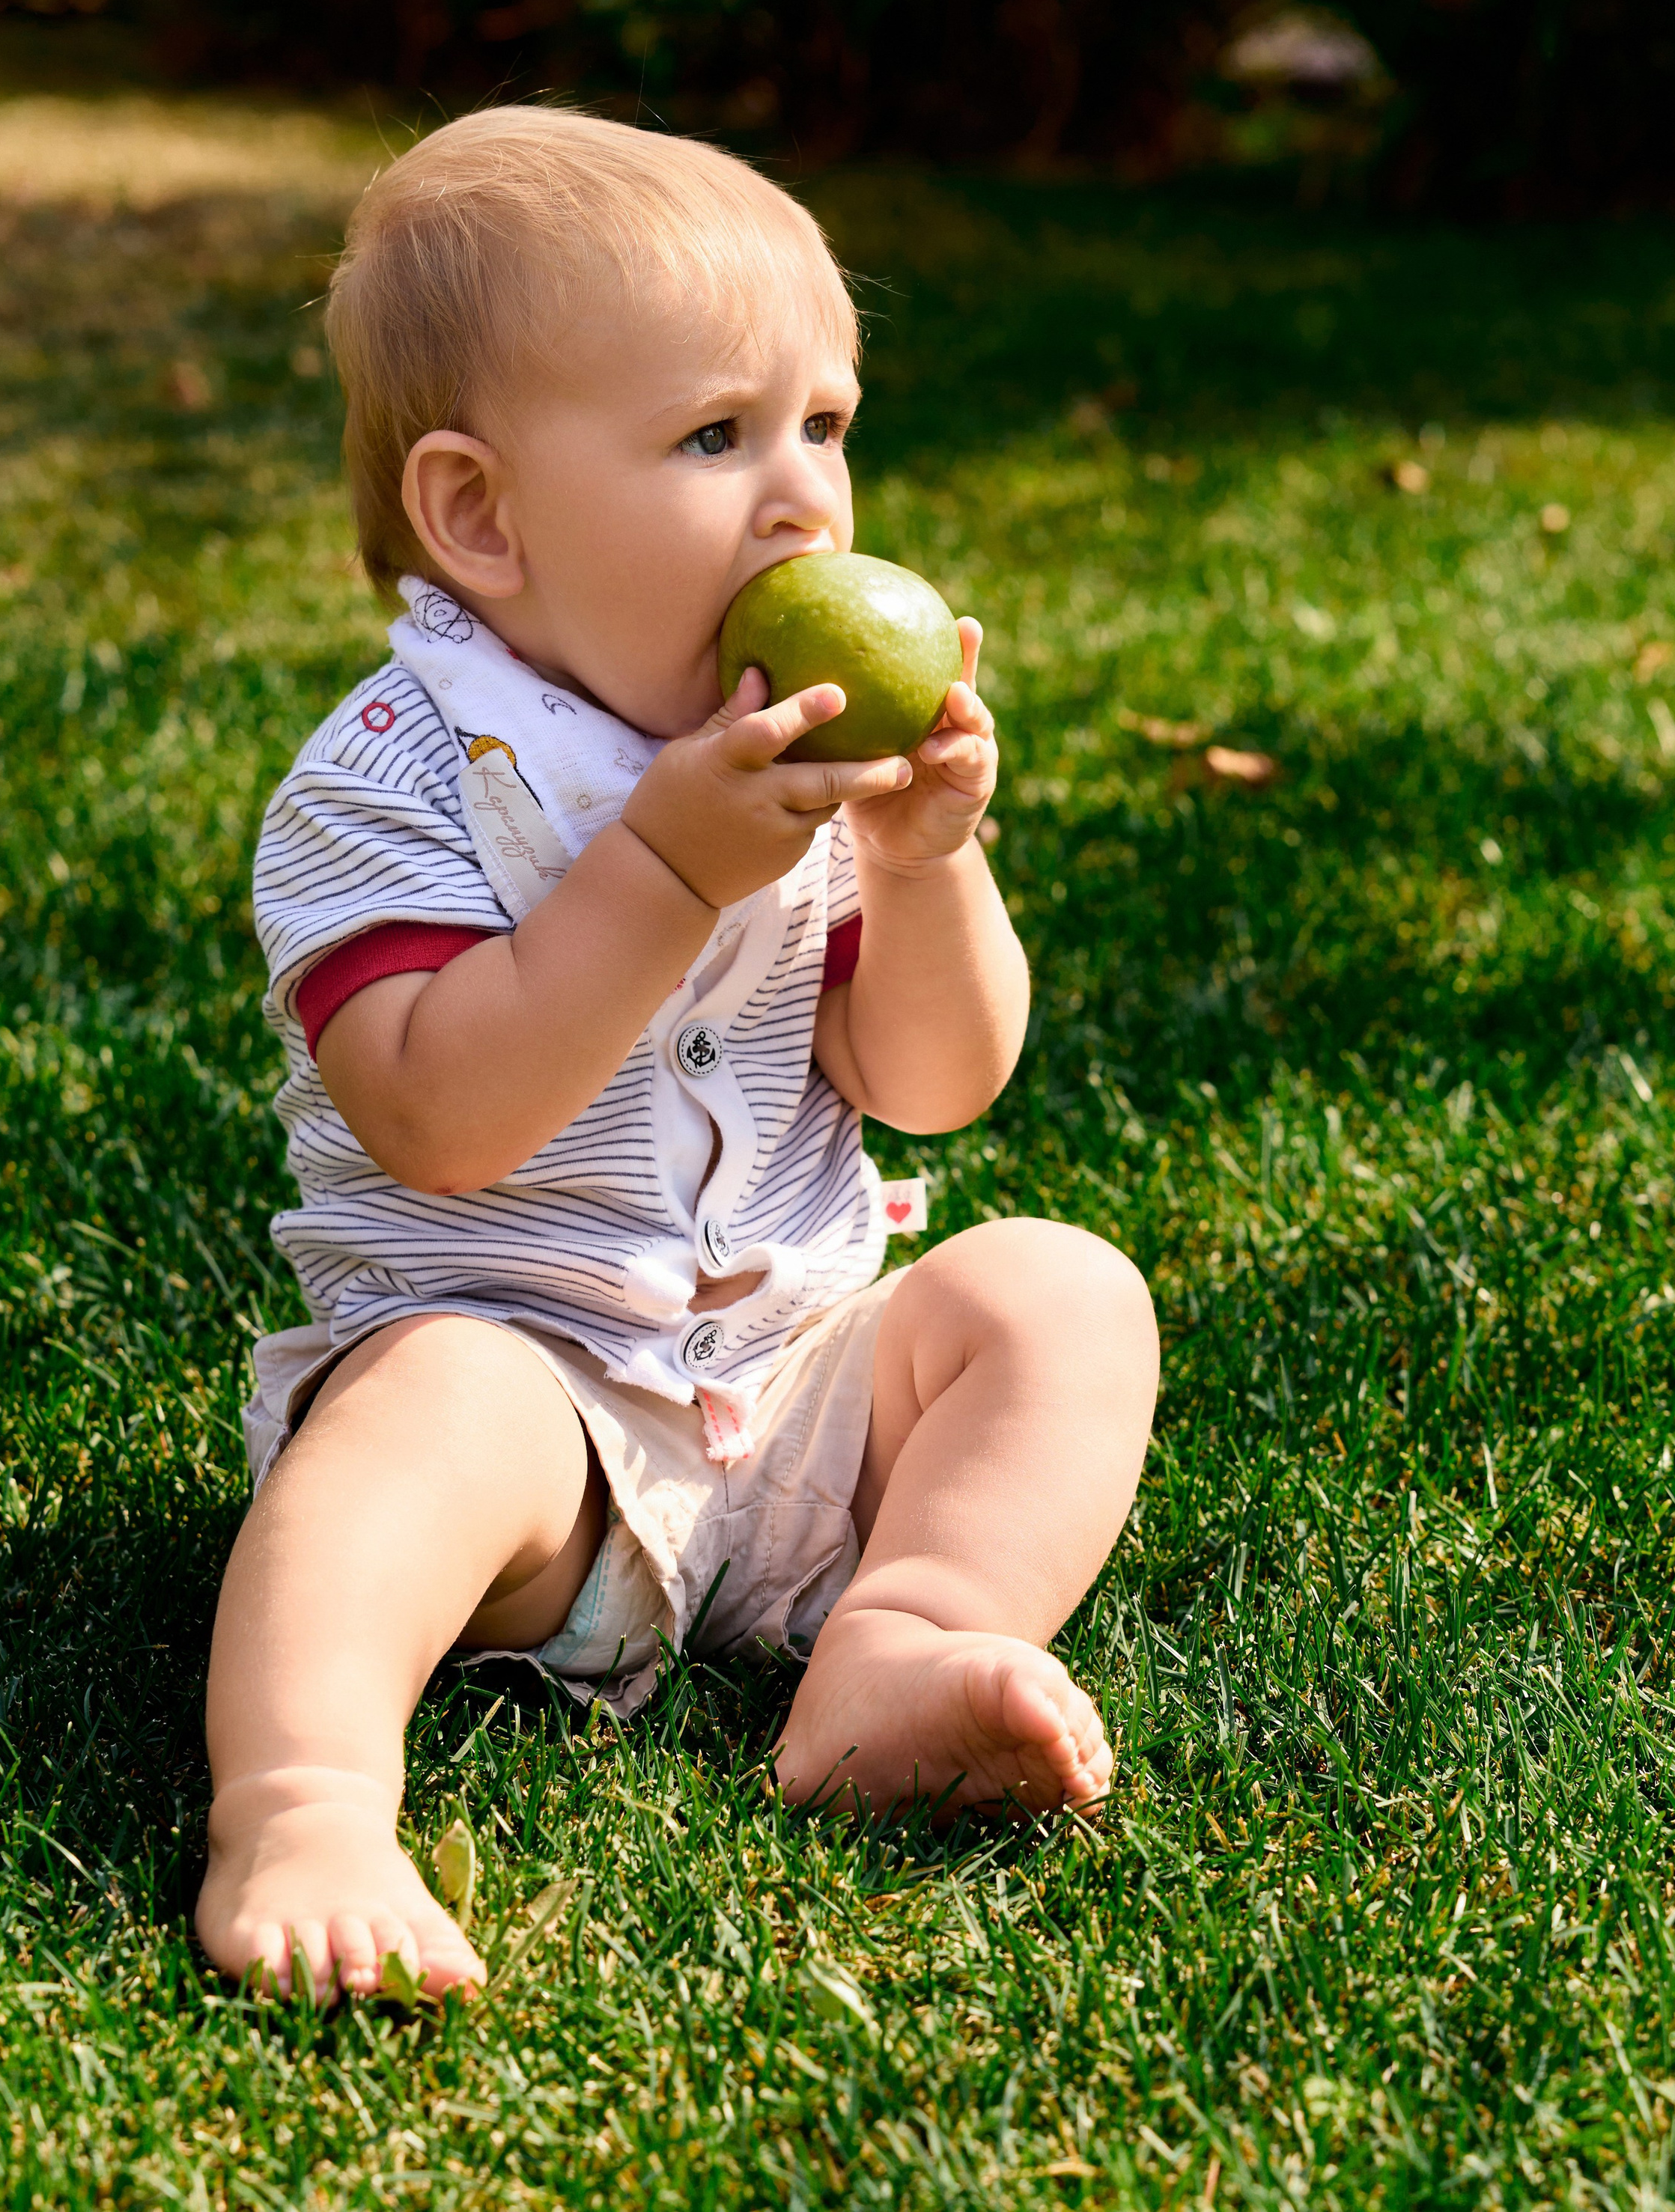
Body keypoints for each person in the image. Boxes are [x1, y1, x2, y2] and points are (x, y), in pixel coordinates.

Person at [195, 107, 1160, 2003]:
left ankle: (896, 1637)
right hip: (534, 1444)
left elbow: (934, 1087)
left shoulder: (796, 771)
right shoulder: (390, 783)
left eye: (825, 424)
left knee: (1060, 1292)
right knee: (418, 1415)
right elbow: (443, 1119)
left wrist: (920, 859)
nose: (802, 501)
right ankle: (301, 1801)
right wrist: (658, 871)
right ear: (483, 517)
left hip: (793, 1399)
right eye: (716, 437)